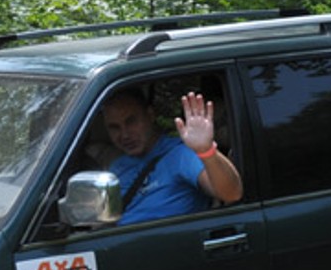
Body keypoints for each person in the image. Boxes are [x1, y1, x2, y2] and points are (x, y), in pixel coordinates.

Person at [99, 88, 243, 225]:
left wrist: (206, 150)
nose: (124, 134)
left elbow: (231, 194)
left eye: (131, 122)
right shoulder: (117, 166)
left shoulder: (181, 154)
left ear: (150, 115)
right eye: (114, 127)